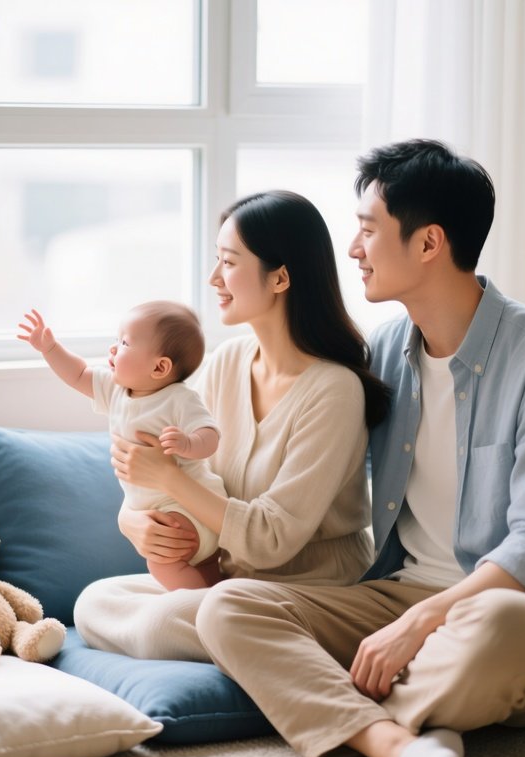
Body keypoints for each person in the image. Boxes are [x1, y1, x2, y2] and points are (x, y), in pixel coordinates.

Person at [194, 140, 525, 757]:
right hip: (399, 593)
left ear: (428, 244)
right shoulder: (386, 354)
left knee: (495, 627)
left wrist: (421, 625)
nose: (352, 249)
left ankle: (349, 706)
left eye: (368, 229)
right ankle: (399, 744)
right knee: (227, 609)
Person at [72, 190, 391, 661]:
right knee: (94, 601)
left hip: (314, 591)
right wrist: (134, 522)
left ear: (279, 277)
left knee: (162, 623)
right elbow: (173, 474)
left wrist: (167, 477)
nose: (214, 278)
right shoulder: (229, 361)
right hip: (232, 585)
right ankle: (241, 644)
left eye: (229, 262)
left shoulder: (334, 391)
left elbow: (271, 539)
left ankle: (258, 645)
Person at [17, 301, 226, 590]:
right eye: (117, 340)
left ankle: (199, 602)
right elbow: (77, 374)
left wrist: (188, 443)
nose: (113, 348)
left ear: (160, 366)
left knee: (162, 561)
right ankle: (216, 589)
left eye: (125, 343)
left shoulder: (179, 399)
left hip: (189, 507)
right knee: (200, 565)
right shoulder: (115, 389)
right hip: (154, 510)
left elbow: (210, 436)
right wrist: (50, 349)